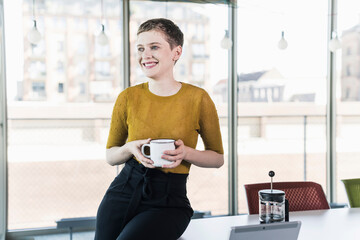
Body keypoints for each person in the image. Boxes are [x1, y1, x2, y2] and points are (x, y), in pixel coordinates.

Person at [94, 18, 224, 240]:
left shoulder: (198, 98)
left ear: (176, 52)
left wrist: (187, 153)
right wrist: (130, 148)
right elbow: (110, 155)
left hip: (169, 200)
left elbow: (217, 158)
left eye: (154, 47)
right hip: (123, 191)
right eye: (141, 49)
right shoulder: (127, 98)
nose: (145, 55)